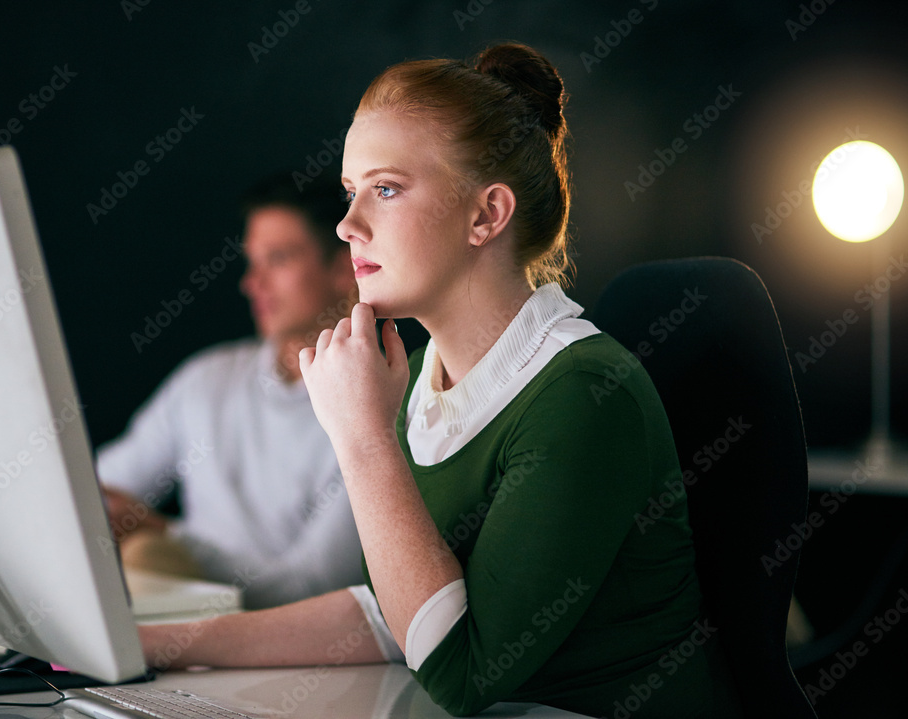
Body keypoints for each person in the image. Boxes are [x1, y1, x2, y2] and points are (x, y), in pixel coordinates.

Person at [138, 43, 744, 718]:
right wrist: (159, 644)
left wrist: (364, 437)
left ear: (486, 215)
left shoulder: (582, 393)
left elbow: (461, 671)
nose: (346, 225)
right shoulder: (426, 375)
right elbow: (394, 613)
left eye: (386, 189)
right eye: (350, 192)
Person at [97, 175, 365, 609]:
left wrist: (167, 538)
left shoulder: (379, 409)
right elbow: (101, 487)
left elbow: (318, 585)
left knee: (147, 557)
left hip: (298, 652)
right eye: (252, 262)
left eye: (277, 259)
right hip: (186, 638)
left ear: (343, 268)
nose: (252, 283)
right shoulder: (206, 381)